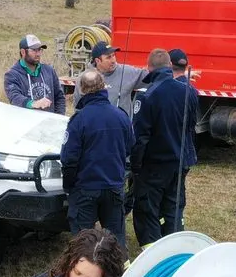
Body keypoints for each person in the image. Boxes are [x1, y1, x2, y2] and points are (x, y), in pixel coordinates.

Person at [132, 47, 199, 247]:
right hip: (179, 162)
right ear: (170, 66)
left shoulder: (147, 95)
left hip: (154, 164)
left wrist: (135, 166)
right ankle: (175, 248)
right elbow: (190, 126)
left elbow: (140, 136)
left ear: (148, 68)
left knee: (148, 209)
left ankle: (152, 252)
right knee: (173, 207)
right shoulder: (189, 91)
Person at [61, 69, 133, 246]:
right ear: (103, 87)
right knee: (116, 239)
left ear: (82, 90)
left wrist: (68, 186)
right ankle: (120, 270)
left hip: (85, 189)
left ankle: (85, 270)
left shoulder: (79, 120)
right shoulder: (121, 116)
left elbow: (69, 158)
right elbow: (130, 146)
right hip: (114, 186)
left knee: (83, 241)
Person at [4, 34, 65, 114]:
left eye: (39, 50)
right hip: (28, 124)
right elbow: (15, 97)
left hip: (50, 122)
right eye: (34, 50)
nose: (38, 54)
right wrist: (33, 103)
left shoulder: (49, 71)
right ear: (23, 52)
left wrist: (59, 118)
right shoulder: (12, 75)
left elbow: (59, 97)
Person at [92, 42, 146, 120]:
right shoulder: (85, 78)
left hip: (122, 130)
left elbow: (152, 78)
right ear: (97, 61)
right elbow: (79, 109)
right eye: (108, 57)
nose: (113, 60)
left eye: (113, 55)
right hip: (96, 129)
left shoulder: (128, 72)